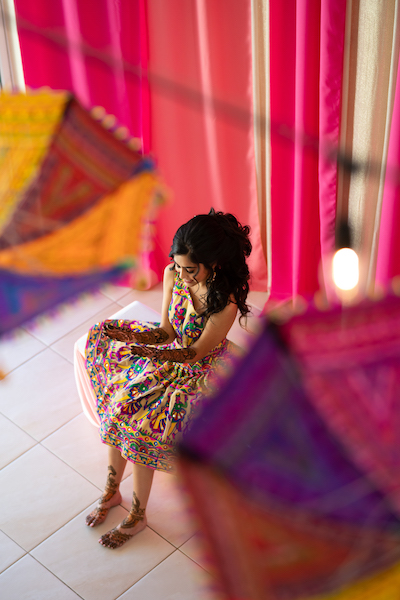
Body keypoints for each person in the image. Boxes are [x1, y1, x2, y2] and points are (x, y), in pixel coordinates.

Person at [84, 208, 252, 548]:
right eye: (178, 266)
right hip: (168, 355)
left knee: (145, 428)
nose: (182, 275)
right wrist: (136, 341)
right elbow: (165, 332)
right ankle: (112, 489)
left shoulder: (225, 303)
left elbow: (195, 354)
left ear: (214, 264)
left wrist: (155, 355)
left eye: (191, 270)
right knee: (119, 409)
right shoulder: (173, 275)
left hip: (198, 373)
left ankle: (137, 514)